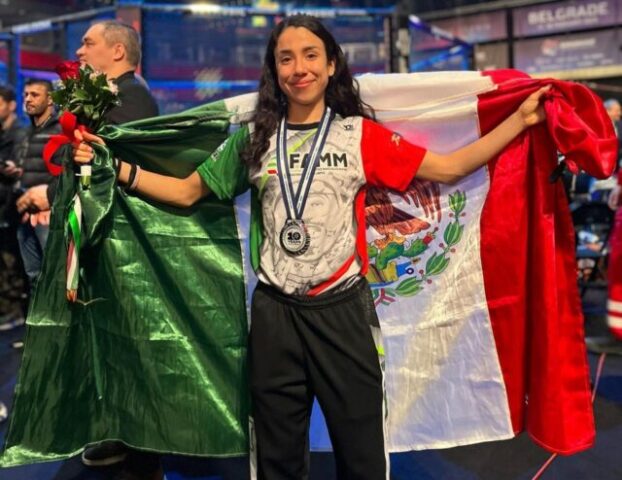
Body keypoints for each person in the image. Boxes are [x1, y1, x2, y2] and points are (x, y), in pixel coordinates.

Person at [74, 15, 548, 480]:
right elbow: (186, 192)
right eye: (286, 59)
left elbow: (448, 168)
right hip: (275, 314)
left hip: (342, 311)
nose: (298, 68)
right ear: (274, 70)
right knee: (277, 458)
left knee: (362, 455)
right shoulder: (255, 139)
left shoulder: (358, 135)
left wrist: (519, 121)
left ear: (331, 64)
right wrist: (116, 167)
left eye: (310, 55)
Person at [15, 19, 159, 222]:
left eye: (89, 44)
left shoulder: (130, 95)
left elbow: (105, 167)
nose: (79, 51)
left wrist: (52, 196)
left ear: (118, 51)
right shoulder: (111, 94)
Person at [8, 79, 61, 289]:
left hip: (49, 216)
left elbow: (65, 173)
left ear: (50, 99)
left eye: (35, 95)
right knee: (33, 278)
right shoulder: (24, 132)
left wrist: (52, 203)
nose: (28, 99)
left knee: (54, 278)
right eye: (26, 95)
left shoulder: (61, 131)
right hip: (24, 213)